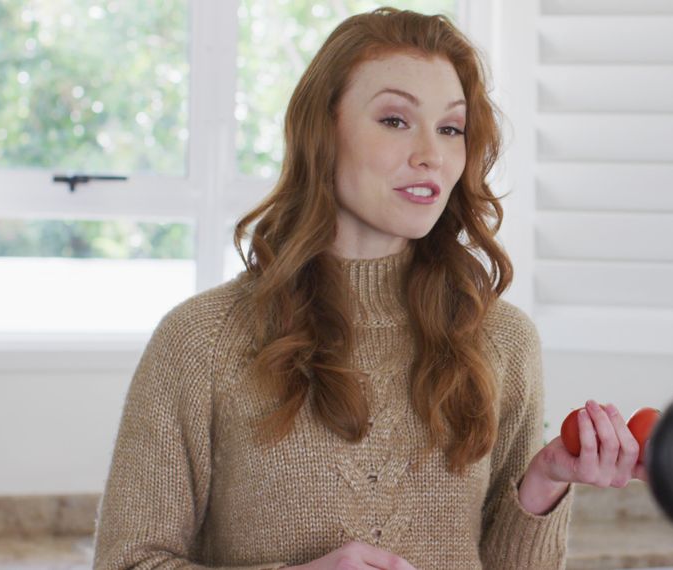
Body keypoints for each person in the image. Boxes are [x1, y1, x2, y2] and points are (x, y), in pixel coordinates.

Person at [93, 8, 644, 570]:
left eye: (451, 128)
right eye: (395, 120)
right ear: (323, 132)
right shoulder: (200, 340)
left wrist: (546, 482)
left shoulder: (502, 340)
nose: (431, 153)